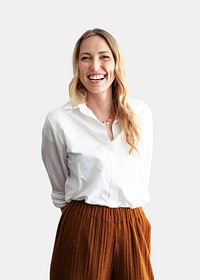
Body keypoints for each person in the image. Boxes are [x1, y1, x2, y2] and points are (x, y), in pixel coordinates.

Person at [41, 28, 154, 280]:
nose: (95, 66)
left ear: (115, 63)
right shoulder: (59, 121)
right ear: (77, 66)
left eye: (104, 57)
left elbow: (141, 175)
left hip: (133, 224)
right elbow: (59, 190)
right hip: (83, 224)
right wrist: (87, 220)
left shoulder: (141, 114)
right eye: (85, 58)